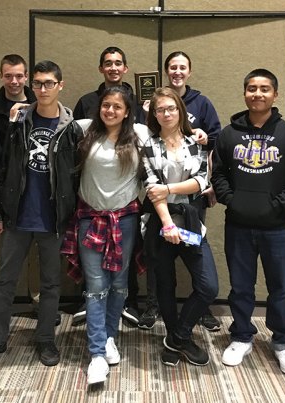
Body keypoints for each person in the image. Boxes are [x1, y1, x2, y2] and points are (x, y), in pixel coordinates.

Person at [0, 60, 83, 367]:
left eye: (49, 83)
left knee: (51, 284)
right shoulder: (19, 124)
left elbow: (77, 178)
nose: (43, 89)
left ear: (60, 86)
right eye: (38, 83)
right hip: (17, 217)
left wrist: (73, 219)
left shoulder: (71, 129)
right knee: (4, 282)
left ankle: (45, 340)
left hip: (53, 219)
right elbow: (4, 170)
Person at [211, 69, 285, 376]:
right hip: (238, 225)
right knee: (240, 287)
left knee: (280, 288)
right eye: (252, 88)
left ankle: (283, 342)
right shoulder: (229, 134)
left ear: (275, 94)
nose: (258, 93)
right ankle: (241, 336)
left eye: (264, 89)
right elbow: (217, 174)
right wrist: (233, 199)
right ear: (244, 93)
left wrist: (278, 204)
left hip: (279, 227)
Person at [62, 86, 149, 384]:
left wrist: (200, 134)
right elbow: (52, 118)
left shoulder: (139, 134)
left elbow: (174, 134)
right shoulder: (85, 130)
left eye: (117, 107)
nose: (110, 111)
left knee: (120, 283)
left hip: (125, 220)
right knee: (97, 284)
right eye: (106, 105)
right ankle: (97, 352)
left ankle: (110, 336)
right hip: (90, 219)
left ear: (128, 112)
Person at [138, 51, 222, 333]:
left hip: (190, 218)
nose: (166, 114)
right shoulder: (148, 145)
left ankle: (181, 332)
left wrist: (169, 187)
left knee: (208, 285)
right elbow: (151, 188)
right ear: (154, 112)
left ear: (180, 111)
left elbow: (200, 181)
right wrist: (167, 224)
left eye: (171, 109)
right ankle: (175, 334)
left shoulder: (194, 142)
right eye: (160, 109)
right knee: (164, 284)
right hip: (160, 222)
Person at [72, 46, 141, 327]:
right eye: (108, 63)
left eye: (118, 63)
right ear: (101, 67)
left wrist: (194, 133)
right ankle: (95, 318)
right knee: (95, 278)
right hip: (91, 209)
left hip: (125, 211)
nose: (110, 110)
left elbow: (163, 136)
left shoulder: (139, 122)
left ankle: (123, 310)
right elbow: (63, 129)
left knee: (121, 276)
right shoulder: (86, 111)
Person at [0, 54, 38, 318]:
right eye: (8, 76)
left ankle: (40, 304)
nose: (14, 81)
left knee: (38, 253)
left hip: (37, 191)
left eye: (19, 75)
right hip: (1, 192)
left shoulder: (42, 105)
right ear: (1, 76)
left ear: (26, 77)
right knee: (0, 252)